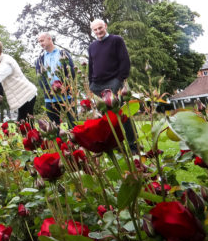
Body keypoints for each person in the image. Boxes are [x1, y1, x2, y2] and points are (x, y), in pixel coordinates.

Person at [87, 19, 138, 153]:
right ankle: (118, 147)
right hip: (97, 85)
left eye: (100, 28)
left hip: (114, 83)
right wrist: (90, 84)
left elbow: (124, 60)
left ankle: (134, 147)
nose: (98, 31)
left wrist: (119, 80)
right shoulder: (92, 47)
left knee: (124, 115)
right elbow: (91, 67)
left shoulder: (116, 40)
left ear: (105, 26)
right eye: (95, 30)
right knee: (108, 120)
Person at [34, 32, 77, 128]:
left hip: (67, 95)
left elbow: (71, 72)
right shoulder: (40, 59)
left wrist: (64, 87)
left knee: (73, 124)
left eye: (42, 40)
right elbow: (40, 78)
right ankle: (60, 142)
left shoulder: (63, 53)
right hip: (50, 98)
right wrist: (49, 90)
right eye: (39, 41)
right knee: (54, 126)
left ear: (49, 39)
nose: (41, 43)